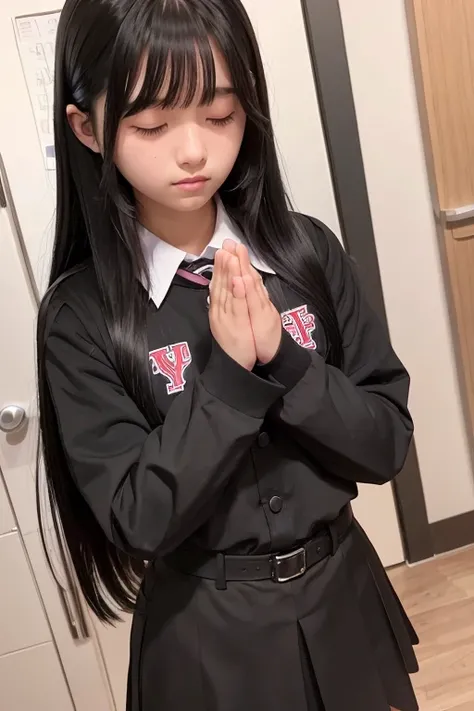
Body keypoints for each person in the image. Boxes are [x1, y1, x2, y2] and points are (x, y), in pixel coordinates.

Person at [37, 0, 420, 709]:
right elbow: (139, 517)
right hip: (207, 643)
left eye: (219, 115)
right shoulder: (81, 317)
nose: (193, 151)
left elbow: (386, 443)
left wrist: (287, 361)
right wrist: (231, 382)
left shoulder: (306, 253)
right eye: (152, 124)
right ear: (87, 128)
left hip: (346, 603)